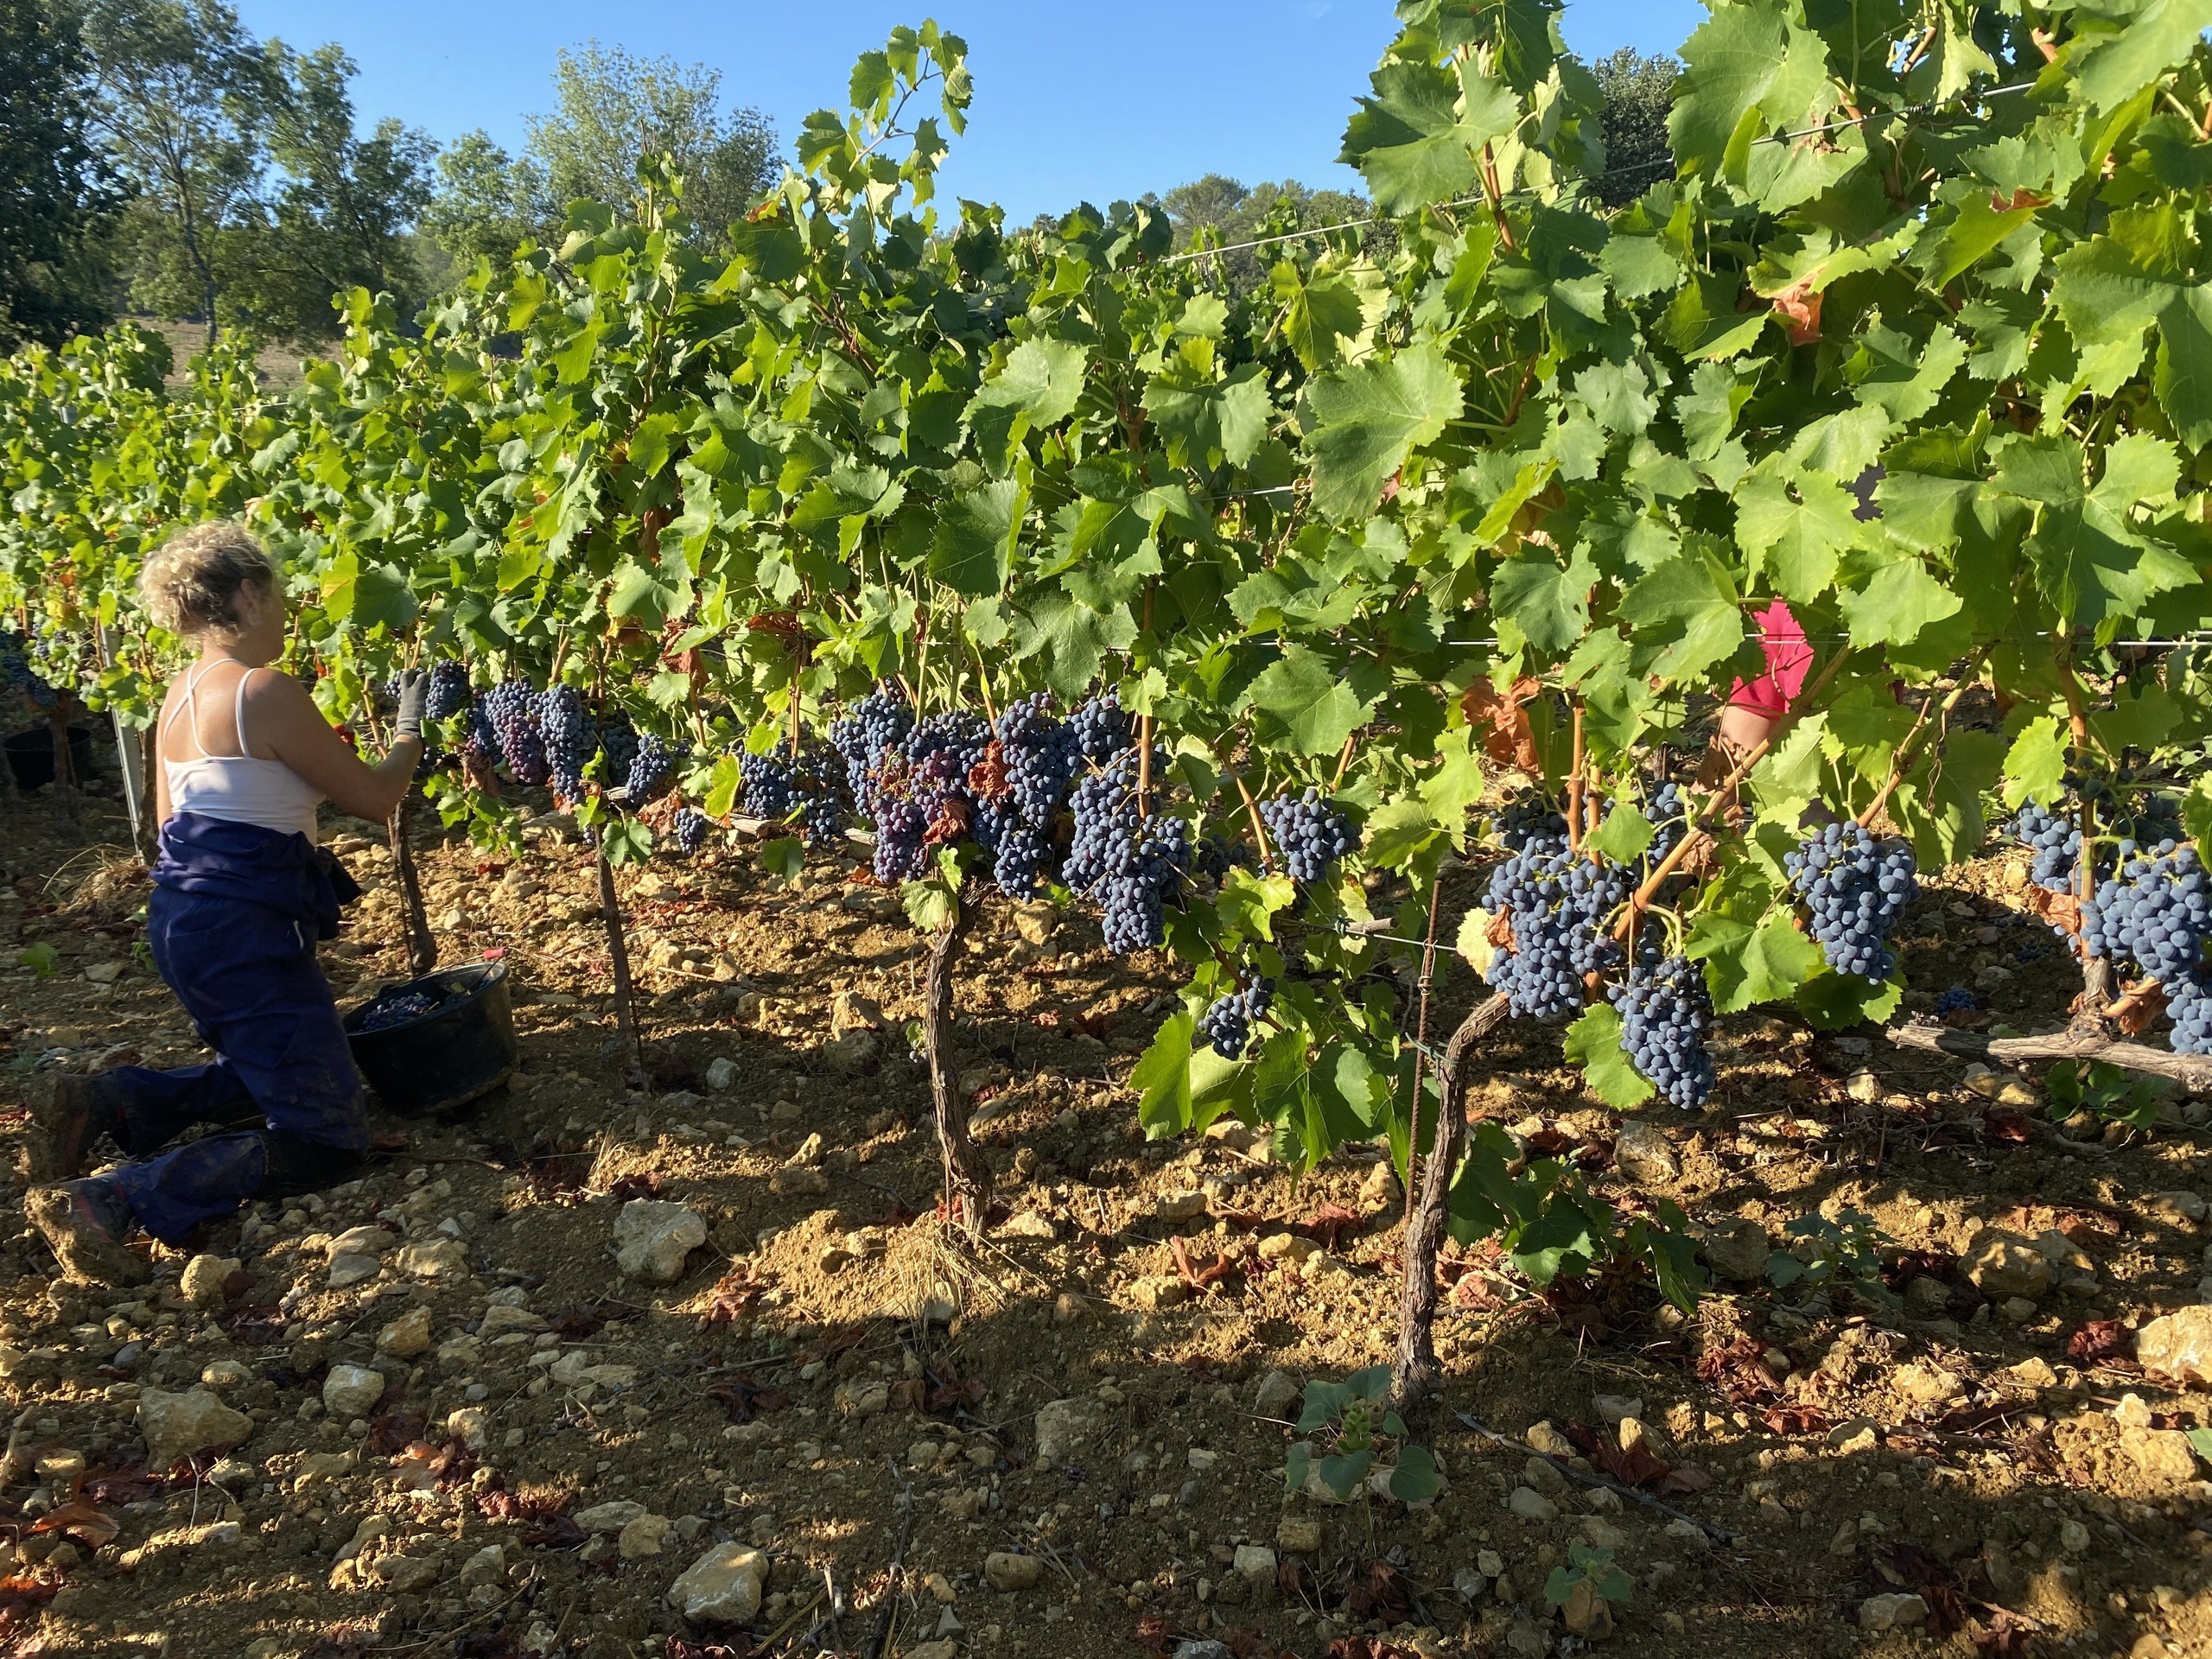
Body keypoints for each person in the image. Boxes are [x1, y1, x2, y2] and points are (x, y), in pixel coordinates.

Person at [22, 522, 427, 1286]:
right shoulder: (259, 692)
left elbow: (173, 825)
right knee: (327, 1137)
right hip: (242, 934)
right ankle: (116, 1198)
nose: (285, 614)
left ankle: (110, 1101)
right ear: (247, 593)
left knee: (286, 1059)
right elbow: (376, 798)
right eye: (278, 596)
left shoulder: (180, 697)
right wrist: (410, 727)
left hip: (187, 923)